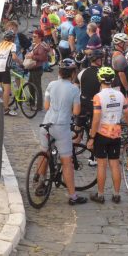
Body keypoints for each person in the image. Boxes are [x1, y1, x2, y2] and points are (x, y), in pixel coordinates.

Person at [38, 58, 87, 205]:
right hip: (62, 126)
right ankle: (73, 196)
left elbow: (46, 106)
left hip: (46, 123)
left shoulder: (51, 84)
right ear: (73, 73)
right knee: (67, 162)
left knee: (44, 154)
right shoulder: (74, 89)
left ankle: (40, 182)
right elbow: (77, 111)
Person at [88, 67, 128, 204]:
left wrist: (91, 137)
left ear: (99, 79)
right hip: (116, 132)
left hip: (102, 134)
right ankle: (116, 195)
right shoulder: (120, 95)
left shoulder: (98, 97)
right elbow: (127, 114)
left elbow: (96, 119)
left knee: (101, 165)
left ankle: (101, 195)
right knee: (115, 164)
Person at [0, 30, 21, 116]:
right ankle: (6, 108)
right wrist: (20, 62)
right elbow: (14, 57)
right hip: (5, 68)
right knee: (7, 90)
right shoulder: (12, 45)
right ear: (12, 38)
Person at [25, 29, 50, 111]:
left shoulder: (41, 46)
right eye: (33, 36)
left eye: (35, 36)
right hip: (34, 68)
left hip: (37, 69)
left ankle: (39, 106)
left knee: (37, 87)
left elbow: (42, 58)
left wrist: (31, 57)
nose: (33, 38)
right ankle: (32, 102)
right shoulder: (37, 44)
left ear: (40, 38)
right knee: (31, 86)